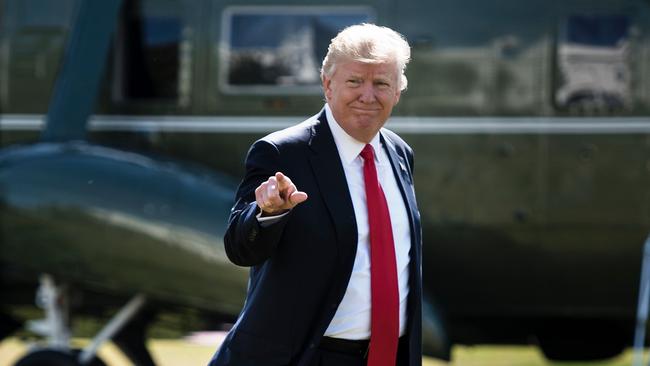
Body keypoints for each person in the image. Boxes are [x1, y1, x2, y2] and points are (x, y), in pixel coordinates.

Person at [209, 23, 422, 366]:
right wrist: (267, 214)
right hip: (306, 357)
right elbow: (240, 246)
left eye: (381, 83)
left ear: (398, 91)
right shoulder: (282, 153)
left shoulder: (399, 154)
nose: (368, 95)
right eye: (355, 81)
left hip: (387, 356)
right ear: (327, 85)